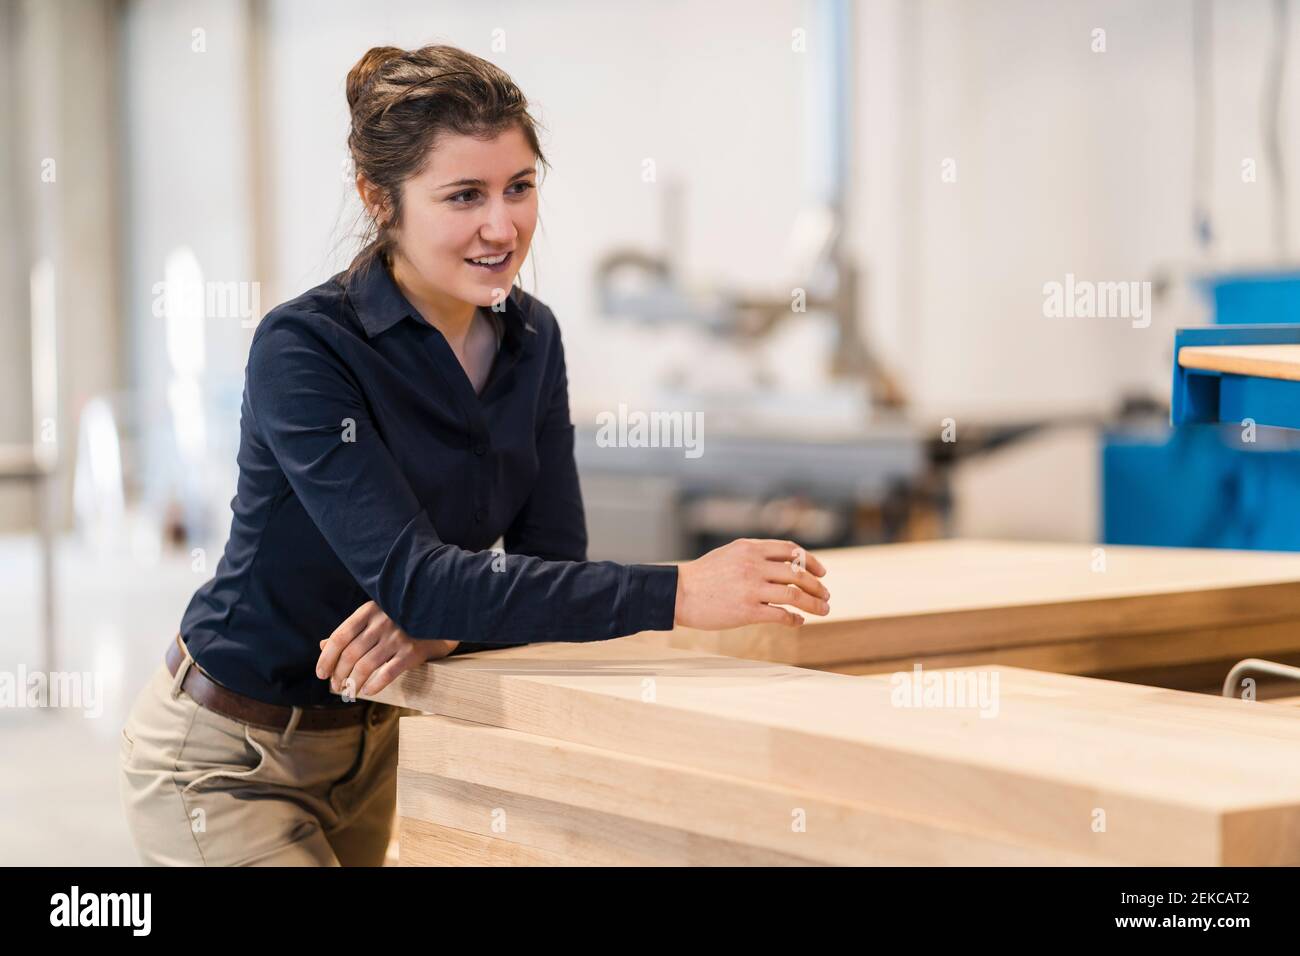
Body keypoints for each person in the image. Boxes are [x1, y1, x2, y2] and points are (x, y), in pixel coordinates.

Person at [118, 43, 831, 866]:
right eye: (465, 196)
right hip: (227, 758)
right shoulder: (305, 348)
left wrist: (444, 632)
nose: (504, 226)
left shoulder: (533, 336)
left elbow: (547, 555)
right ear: (378, 199)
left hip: (378, 746)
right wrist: (683, 589)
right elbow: (418, 579)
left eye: (519, 187)